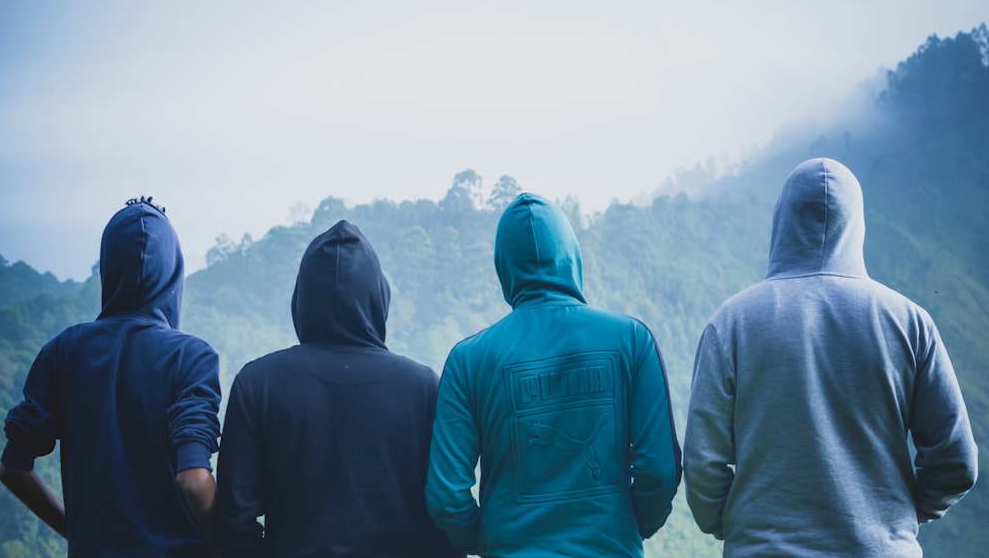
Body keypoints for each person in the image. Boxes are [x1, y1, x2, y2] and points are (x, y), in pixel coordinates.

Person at [684, 158, 978, 556]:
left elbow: (703, 462)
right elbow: (956, 461)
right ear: (857, 224)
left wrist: (738, 525)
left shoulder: (732, 322)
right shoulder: (909, 322)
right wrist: (896, 521)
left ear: (781, 221)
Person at [426, 193, 681, 557]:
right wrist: (625, 530)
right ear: (572, 256)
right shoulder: (632, 340)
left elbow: (446, 497)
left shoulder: (468, 360)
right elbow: (658, 471)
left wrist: (492, 543)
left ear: (504, 266)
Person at [215, 220, 461, 558]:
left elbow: (234, 520)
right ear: (378, 296)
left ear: (301, 298)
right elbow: (447, 513)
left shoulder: (258, 384)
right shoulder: (424, 387)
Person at [0, 197, 221, 557]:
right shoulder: (191, 356)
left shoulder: (63, 351)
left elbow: (13, 469)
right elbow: (195, 480)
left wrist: (75, 532)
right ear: (172, 272)